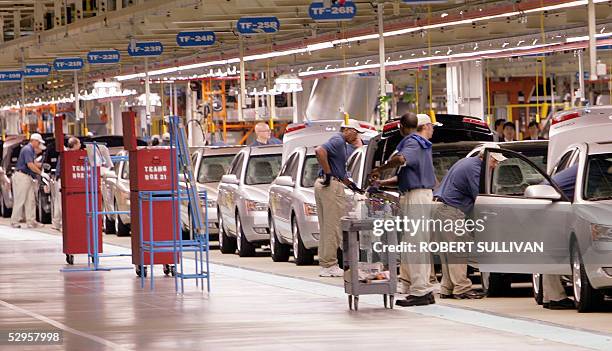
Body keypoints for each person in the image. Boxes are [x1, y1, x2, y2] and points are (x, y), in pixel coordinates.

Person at [369, 113, 439, 306]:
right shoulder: (417, 144)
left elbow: (400, 160)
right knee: (413, 244)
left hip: (417, 196)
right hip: (415, 194)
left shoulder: (413, 142)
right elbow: (404, 176)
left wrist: (380, 168)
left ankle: (421, 291)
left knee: (416, 244)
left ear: (401, 126)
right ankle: (417, 288)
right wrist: (382, 181)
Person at [432, 144, 506, 299]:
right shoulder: (475, 169)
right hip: (451, 210)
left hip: (441, 208)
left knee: (448, 252)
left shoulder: (467, 162)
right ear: (485, 158)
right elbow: (479, 197)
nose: (496, 165)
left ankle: (448, 288)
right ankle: (462, 288)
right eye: (494, 161)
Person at [314, 119, 365, 277]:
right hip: (331, 187)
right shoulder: (338, 140)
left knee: (326, 227)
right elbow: (319, 151)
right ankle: (330, 265)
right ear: (348, 130)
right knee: (333, 227)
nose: (355, 138)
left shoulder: (340, 143)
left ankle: (325, 263)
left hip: (327, 185)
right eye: (355, 133)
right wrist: (328, 173)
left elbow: (340, 172)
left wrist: (353, 186)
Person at [540, 164, 578, 310]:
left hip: (548, 203)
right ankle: (556, 298)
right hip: (550, 205)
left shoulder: (583, 165)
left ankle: (549, 297)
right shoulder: (595, 168)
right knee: (553, 252)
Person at [11, 133, 46, 228]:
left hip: (27, 177)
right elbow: (30, 164)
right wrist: (41, 173)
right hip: (22, 176)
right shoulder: (27, 149)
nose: (39, 144)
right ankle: (14, 221)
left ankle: (31, 221)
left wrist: (42, 165)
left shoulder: (31, 150)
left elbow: (33, 163)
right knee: (20, 199)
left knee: (30, 200)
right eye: (38, 142)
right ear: (34, 141)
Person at [52, 136, 81, 231]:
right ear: (75, 145)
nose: (80, 145)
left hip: (60, 180)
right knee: (61, 203)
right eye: (79, 143)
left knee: (58, 202)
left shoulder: (67, 153)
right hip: (62, 180)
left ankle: (56, 223)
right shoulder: (68, 154)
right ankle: (61, 224)